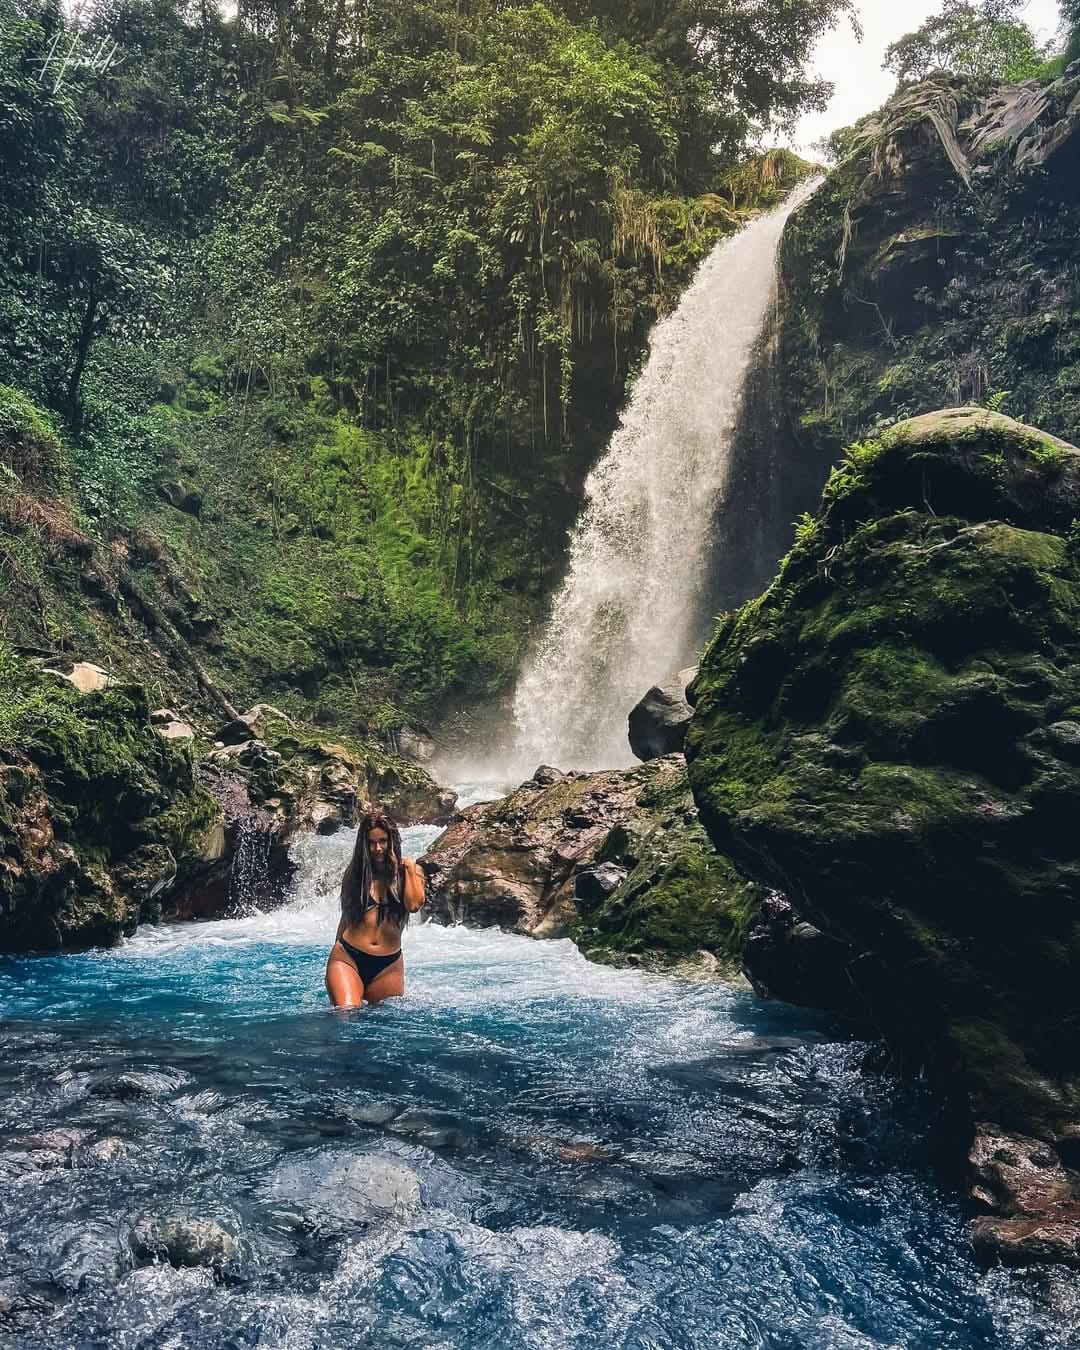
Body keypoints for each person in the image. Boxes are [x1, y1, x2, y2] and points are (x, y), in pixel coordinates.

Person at [325, 810, 426, 1009]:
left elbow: (413, 905)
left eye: (383, 841)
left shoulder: (410, 873)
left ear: (392, 841)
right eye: (371, 843)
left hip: (388, 965)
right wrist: (335, 956)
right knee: (346, 1014)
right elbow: (347, 916)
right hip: (348, 957)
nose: (377, 848)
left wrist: (409, 867)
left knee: (381, 1025)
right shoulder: (356, 873)